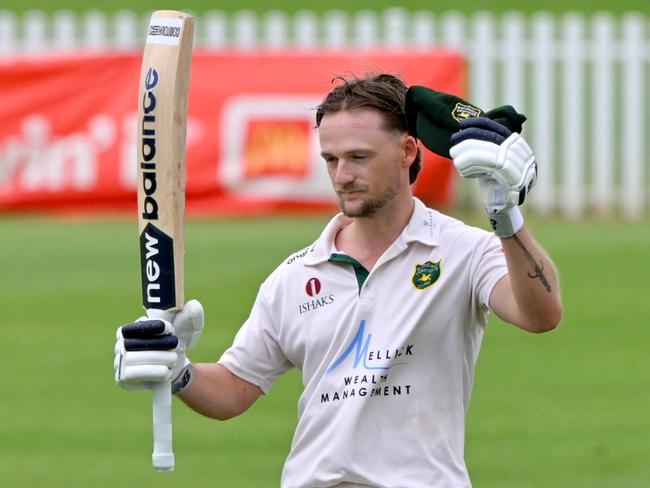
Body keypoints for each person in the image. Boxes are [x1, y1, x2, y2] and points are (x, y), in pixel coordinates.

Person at [114, 73, 562, 487]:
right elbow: (234, 390)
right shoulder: (295, 275)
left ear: (408, 151)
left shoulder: (464, 250)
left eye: (358, 158)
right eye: (331, 159)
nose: (342, 176)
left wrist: (505, 218)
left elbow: (539, 315)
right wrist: (179, 371)